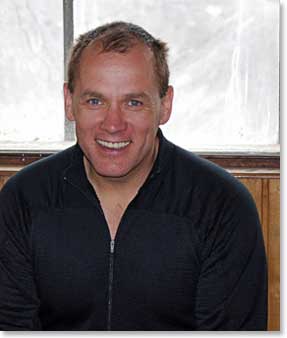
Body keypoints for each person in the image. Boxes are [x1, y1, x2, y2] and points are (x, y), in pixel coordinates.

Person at [0, 21, 267, 331]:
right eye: (95, 101)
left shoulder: (222, 207)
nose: (113, 124)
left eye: (134, 102)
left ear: (165, 105)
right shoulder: (22, 200)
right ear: (69, 102)